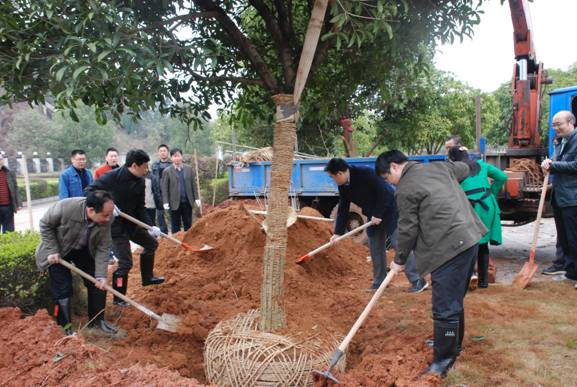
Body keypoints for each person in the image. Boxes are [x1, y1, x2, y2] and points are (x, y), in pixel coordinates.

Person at [375, 150, 487, 377]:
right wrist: (469, 162)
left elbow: (407, 228)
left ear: (395, 167)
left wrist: (399, 260)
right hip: (470, 239)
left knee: (445, 307)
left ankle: (443, 360)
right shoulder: (439, 167)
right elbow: (467, 168)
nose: (390, 183)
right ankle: (452, 346)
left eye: (388, 178)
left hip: (450, 247)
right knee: (454, 300)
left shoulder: (405, 189)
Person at [325, 158, 428, 293]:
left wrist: (378, 214)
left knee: (400, 244)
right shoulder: (343, 185)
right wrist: (338, 233)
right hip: (373, 215)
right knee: (374, 245)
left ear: (339, 173)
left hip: (390, 210)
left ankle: (418, 280)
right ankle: (379, 282)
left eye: (333, 177)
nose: (334, 180)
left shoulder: (366, 173)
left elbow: (386, 193)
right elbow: (343, 208)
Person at [86, 149, 165, 307]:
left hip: (130, 224)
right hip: (114, 227)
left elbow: (140, 207)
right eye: (144, 166)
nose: (146, 170)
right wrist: (106, 204)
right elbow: (88, 192)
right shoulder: (111, 177)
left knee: (151, 244)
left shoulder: (140, 181)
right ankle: (119, 299)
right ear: (134, 165)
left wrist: (150, 226)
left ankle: (147, 277)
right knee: (125, 263)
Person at [35, 191, 119, 335]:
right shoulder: (66, 207)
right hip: (59, 250)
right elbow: (45, 224)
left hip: (84, 249)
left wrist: (101, 275)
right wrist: (52, 250)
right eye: (105, 215)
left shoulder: (107, 218)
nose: (108, 218)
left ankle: (97, 322)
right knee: (62, 288)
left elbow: (103, 247)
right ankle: (65, 327)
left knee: (97, 282)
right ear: (91, 210)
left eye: (110, 214)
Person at [448, 146, 508, 288]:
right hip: (487, 204)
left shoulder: (455, 169)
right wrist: (491, 193)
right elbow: (502, 177)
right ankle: (483, 281)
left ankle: (470, 276)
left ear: (453, 158)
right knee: (482, 243)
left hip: (468, 206)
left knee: (468, 242)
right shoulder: (482, 164)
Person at [541, 110, 577, 288]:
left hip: (573, 198)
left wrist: (553, 165)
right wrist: (548, 166)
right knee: (564, 238)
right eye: (553, 125)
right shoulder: (560, 142)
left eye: (559, 124)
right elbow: (557, 165)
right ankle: (570, 271)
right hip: (560, 196)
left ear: (571, 123)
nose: (555, 128)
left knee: (574, 237)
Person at [161, 148, 198, 232]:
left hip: (187, 201)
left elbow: (193, 184)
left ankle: (188, 242)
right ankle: (176, 243)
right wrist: (165, 201)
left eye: (178, 156)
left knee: (188, 225)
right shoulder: (167, 171)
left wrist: (197, 198)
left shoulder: (188, 169)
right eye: (174, 156)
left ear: (182, 157)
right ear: (171, 158)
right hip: (174, 203)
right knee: (175, 226)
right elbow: (164, 188)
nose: (176, 158)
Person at [151, 144, 172, 234]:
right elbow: (152, 178)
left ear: (168, 152)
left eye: (164, 151)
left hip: (170, 193)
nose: (163, 153)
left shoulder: (172, 164)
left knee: (172, 213)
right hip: (158, 193)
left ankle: (176, 233)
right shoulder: (155, 165)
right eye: (161, 151)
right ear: (158, 153)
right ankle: (164, 233)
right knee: (160, 215)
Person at [0, 153, 22, 233]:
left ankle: (8, 245)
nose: (0, 161)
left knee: (9, 231)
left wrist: (18, 203)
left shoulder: (9, 172)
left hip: (8, 206)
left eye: (1, 159)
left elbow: (15, 188)